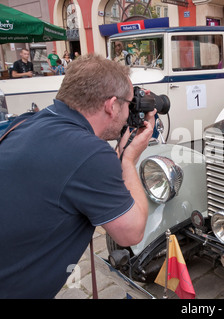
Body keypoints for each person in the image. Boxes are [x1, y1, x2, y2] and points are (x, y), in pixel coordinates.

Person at [0, 54, 156, 298]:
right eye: (129, 103)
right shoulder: (90, 154)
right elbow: (131, 232)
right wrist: (128, 161)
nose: (129, 112)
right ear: (111, 105)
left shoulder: (27, 122)